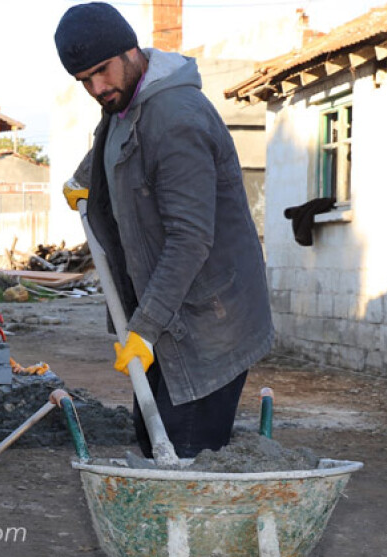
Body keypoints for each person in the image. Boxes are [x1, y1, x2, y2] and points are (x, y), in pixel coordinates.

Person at [54, 3, 274, 459]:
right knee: (153, 442)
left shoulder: (176, 119)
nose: (96, 88)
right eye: (83, 81)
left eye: (101, 71)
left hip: (207, 325)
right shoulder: (124, 101)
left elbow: (190, 238)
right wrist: (85, 181)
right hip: (163, 318)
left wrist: (144, 328)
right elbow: (112, 141)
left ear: (131, 49)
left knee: (184, 456)